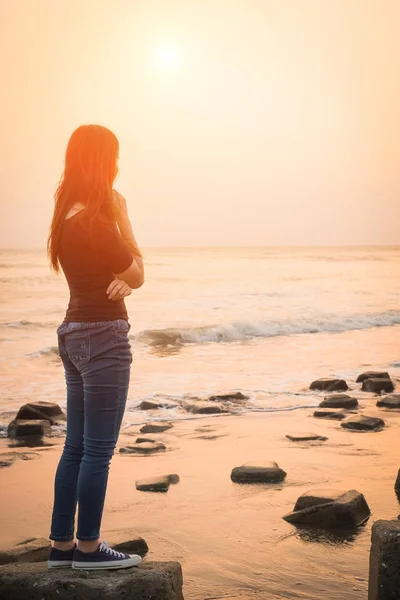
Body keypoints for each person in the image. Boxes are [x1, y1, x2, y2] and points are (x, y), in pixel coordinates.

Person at [46, 124, 144, 570]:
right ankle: (89, 549)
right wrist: (123, 217)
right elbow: (139, 271)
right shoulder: (98, 223)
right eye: (114, 158)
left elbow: (125, 275)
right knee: (98, 451)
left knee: (75, 446)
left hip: (71, 332)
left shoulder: (65, 219)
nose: (118, 166)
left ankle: (61, 546)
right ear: (102, 163)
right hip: (103, 335)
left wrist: (127, 275)